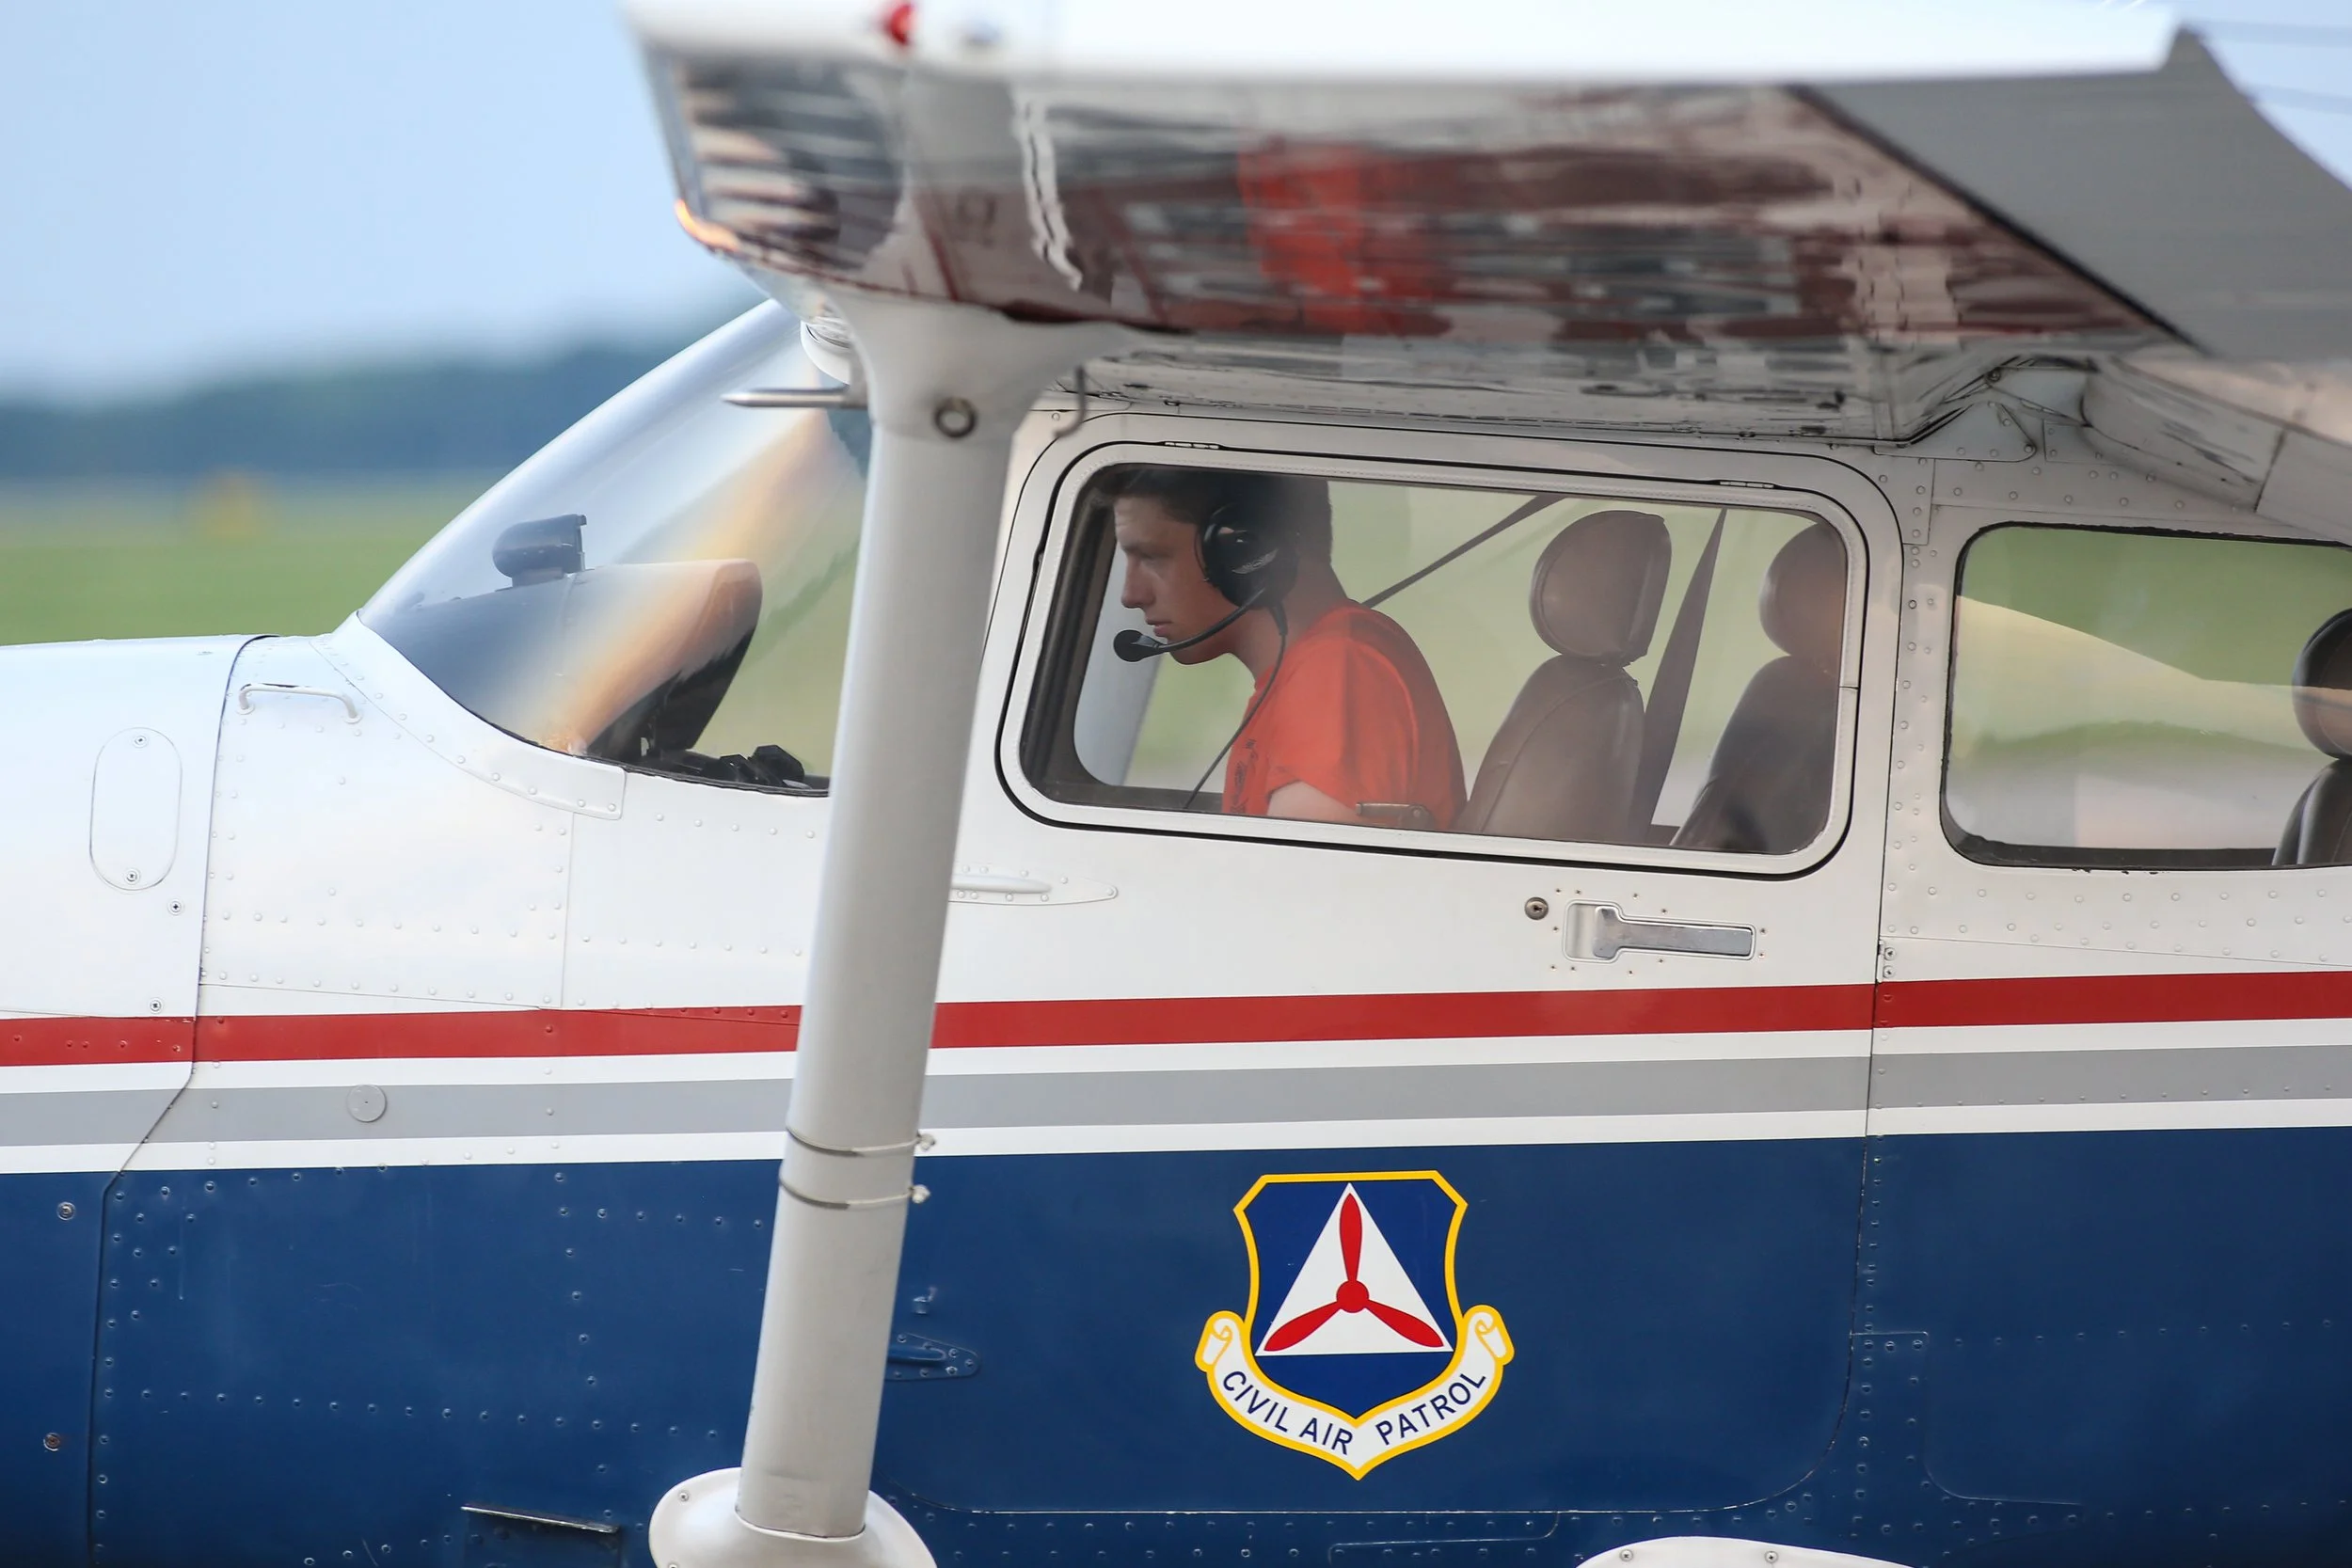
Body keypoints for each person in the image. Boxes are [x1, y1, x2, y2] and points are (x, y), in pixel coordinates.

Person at [1107, 467, 1465, 828]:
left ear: (1243, 552)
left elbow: (1299, 877)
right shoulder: (1309, 669)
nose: (1131, 595)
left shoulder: (1337, 670)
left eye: (1153, 557)